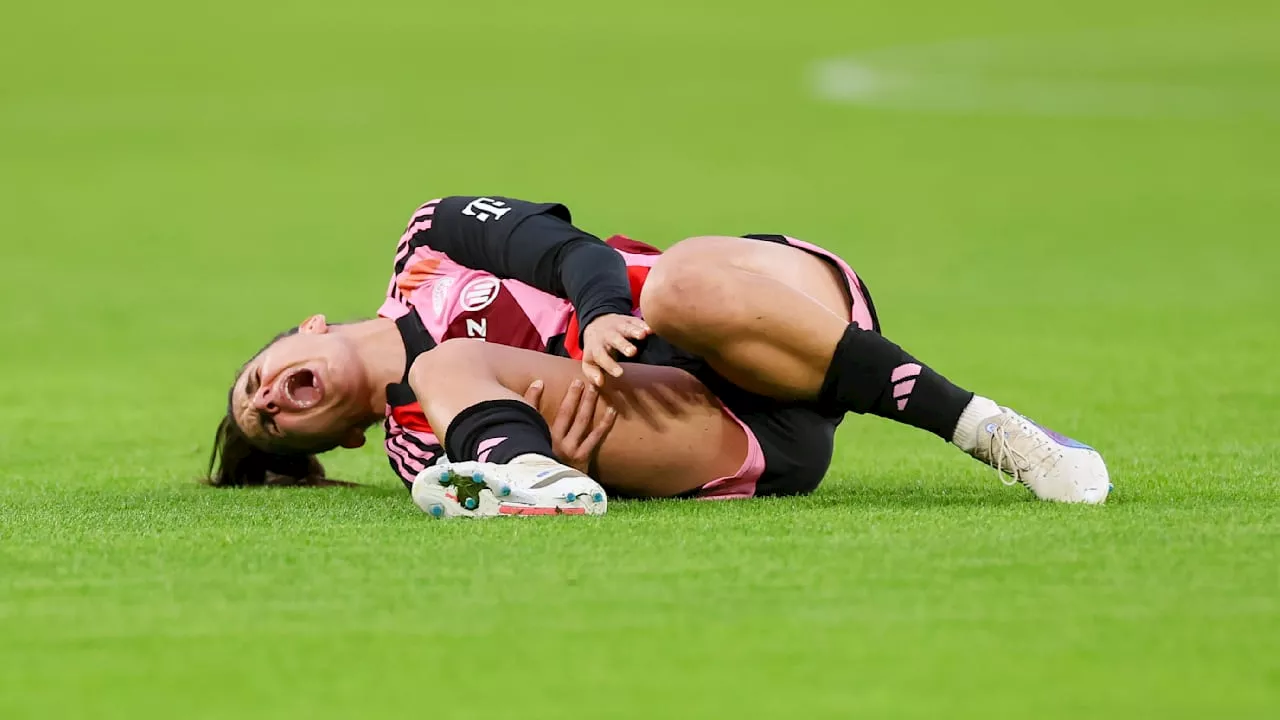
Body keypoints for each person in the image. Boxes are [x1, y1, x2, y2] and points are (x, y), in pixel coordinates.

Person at [207, 195, 1110, 516]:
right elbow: (574, 414)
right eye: (275, 424)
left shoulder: (430, 240)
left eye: (259, 382)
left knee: (673, 283)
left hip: (760, 313)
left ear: (308, 327)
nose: (273, 402)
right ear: (340, 442)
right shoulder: (415, 449)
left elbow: (573, 254)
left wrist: (599, 319)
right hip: (719, 428)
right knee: (441, 370)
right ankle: (532, 482)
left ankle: (992, 432)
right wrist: (551, 437)